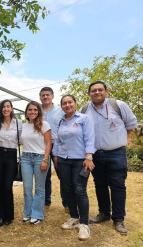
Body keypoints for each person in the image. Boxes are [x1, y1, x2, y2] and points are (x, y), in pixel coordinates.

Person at [84, 81, 137, 235]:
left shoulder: (118, 105)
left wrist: (122, 141)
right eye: (93, 91)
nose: (97, 92)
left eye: (100, 90)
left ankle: (119, 219)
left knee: (118, 186)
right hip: (95, 155)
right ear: (89, 94)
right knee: (99, 185)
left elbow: (131, 125)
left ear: (106, 91)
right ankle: (104, 213)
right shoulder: (85, 109)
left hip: (116, 153)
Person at [53, 95, 95, 241]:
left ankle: (84, 223)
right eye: (64, 103)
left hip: (81, 160)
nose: (67, 105)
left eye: (70, 102)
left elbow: (90, 138)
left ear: (75, 103)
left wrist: (89, 157)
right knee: (67, 189)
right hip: (64, 160)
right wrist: (56, 156)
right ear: (62, 106)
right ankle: (74, 218)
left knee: (80, 190)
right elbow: (57, 141)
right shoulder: (61, 121)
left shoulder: (84, 118)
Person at [20, 101, 51, 225]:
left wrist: (45, 159)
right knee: (27, 188)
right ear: (26, 112)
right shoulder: (23, 125)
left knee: (39, 188)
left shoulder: (44, 124)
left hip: (40, 158)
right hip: (26, 158)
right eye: (30, 110)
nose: (32, 112)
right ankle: (27, 213)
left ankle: (37, 214)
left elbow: (49, 143)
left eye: (35, 110)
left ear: (39, 111)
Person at [0, 100, 22, 227]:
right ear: (1, 109)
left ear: (12, 108)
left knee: (7, 186)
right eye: (3, 107)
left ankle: (9, 216)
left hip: (11, 156)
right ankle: (0, 216)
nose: (6, 109)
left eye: (8, 106)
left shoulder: (18, 123)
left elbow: (22, 139)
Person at [39, 87, 68, 212]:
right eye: (43, 95)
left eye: (47, 95)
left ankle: (67, 203)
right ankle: (46, 202)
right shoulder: (37, 110)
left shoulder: (60, 110)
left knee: (62, 174)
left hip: (57, 146)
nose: (45, 97)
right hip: (41, 146)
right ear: (40, 97)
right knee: (44, 175)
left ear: (52, 96)